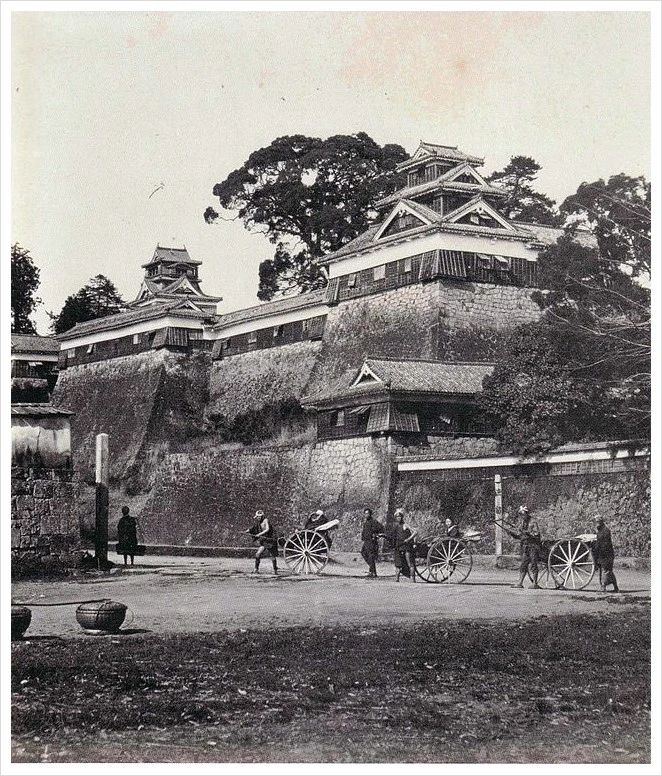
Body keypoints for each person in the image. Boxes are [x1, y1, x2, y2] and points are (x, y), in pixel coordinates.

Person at [506, 505, 542, 589]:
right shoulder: (522, 523)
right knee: (523, 565)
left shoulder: (533, 522)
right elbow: (519, 535)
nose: (522, 516)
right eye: (521, 515)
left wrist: (528, 533)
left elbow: (536, 534)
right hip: (526, 547)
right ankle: (520, 582)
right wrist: (511, 533)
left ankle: (535, 583)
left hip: (534, 546)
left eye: (523, 514)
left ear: (526, 514)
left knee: (533, 564)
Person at [248, 510, 279, 575]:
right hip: (264, 541)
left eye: (259, 517)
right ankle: (256, 569)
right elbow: (253, 528)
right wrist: (246, 531)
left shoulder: (266, 520)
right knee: (258, 554)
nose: (258, 518)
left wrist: (259, 534)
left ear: (262, 516)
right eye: (257, 517)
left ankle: (275, 570)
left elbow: (267, 529)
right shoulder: (258, 522)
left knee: (272, 556)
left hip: (270, 540)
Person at [593, 516, 619, 593]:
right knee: (609, 571)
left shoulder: (605, 531)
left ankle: (603, 587)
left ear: (601, 522)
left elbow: (604, 545)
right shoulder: (601, 531)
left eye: (598, 522)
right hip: (605, 554)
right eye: (596, 522)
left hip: (606, 554)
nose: (597, 524)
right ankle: (616, 587)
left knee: (605, 570)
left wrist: (597, 552)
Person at [394, 508, 419, 583]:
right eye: (397, 517)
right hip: (399, 546)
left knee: (409, 562)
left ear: (402, 517)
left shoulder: (405, 525)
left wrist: (409, 539)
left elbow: (415, 532)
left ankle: (413, 579)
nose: (398, 518)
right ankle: (397, 579)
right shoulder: (396, 526)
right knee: (398, 564)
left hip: (406, 546)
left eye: (400, 517)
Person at [360, 508, 384, 577]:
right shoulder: (366, 522)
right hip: (366, 541)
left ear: (370, 514)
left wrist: (377, 535)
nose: (366, 515)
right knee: (363, 553)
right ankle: (372, 570)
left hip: (372, 541)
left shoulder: (374, 522)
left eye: (367, 513)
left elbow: (382, 529)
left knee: (371, 556)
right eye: (365, 513)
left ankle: (372, 572)